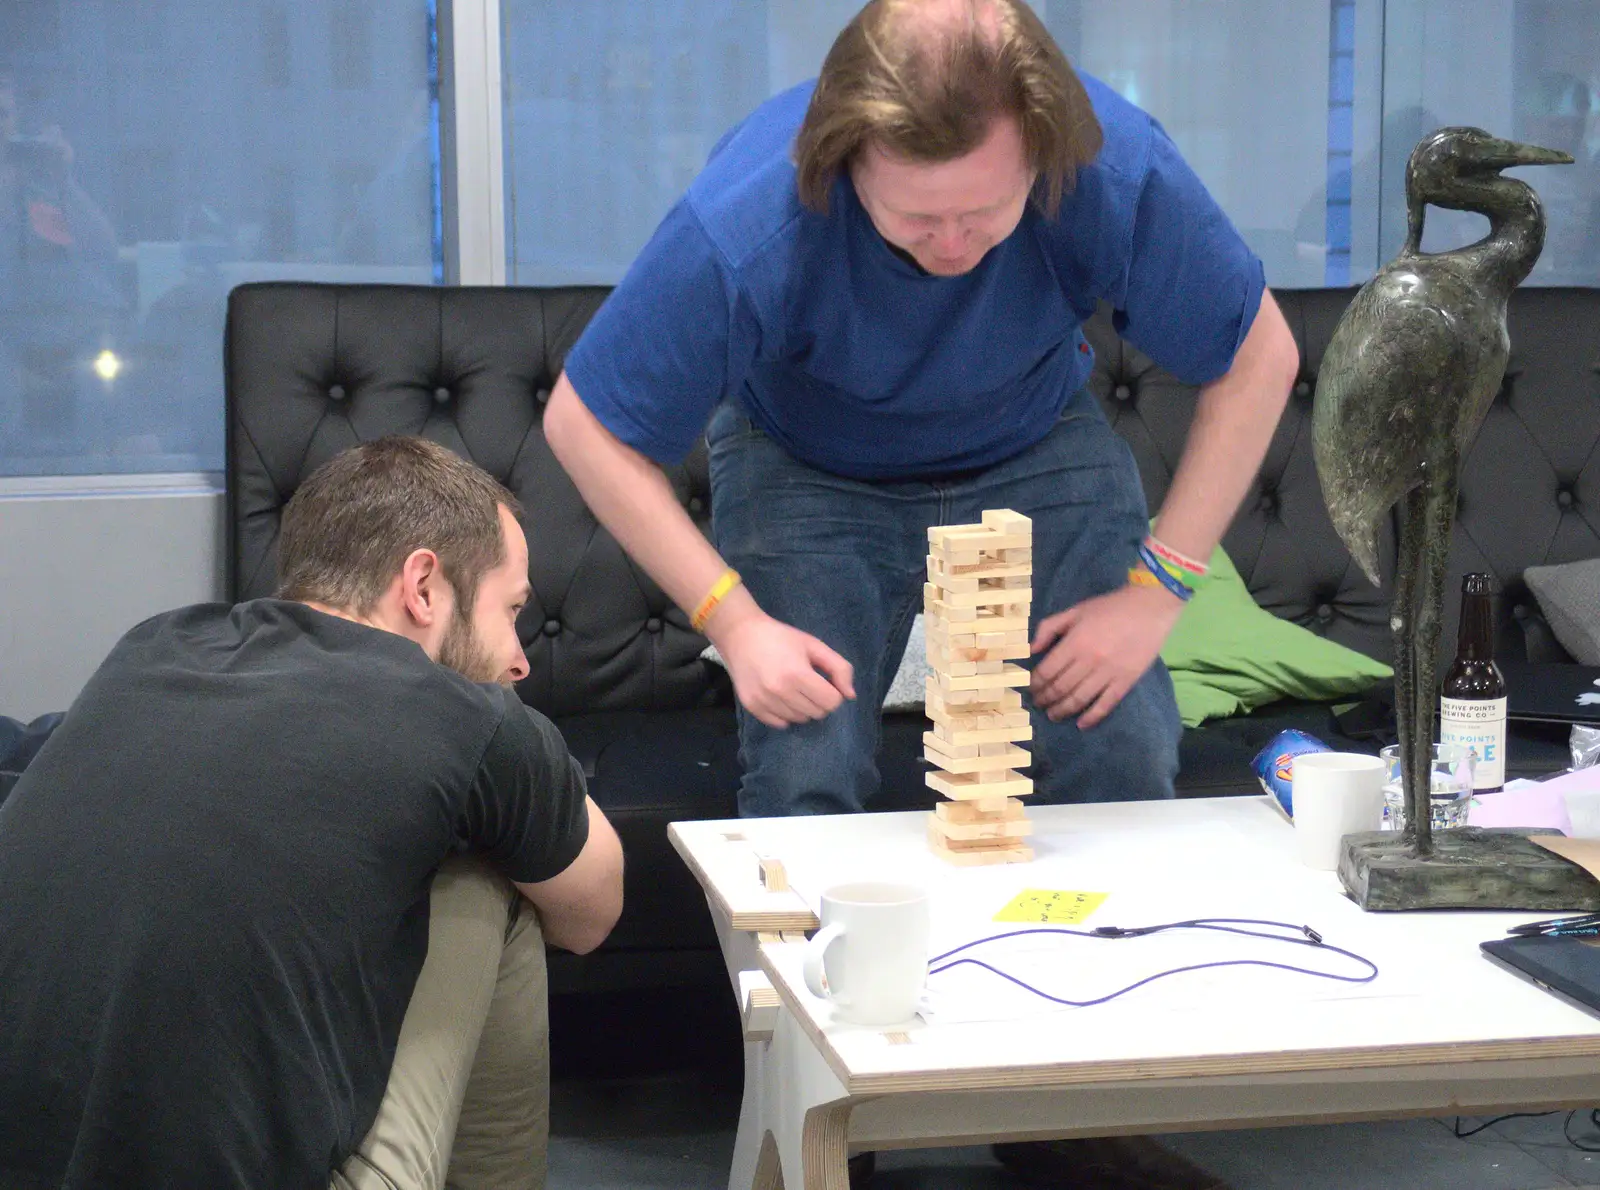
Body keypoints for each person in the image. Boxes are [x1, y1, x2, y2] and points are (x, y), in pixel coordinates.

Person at [544, 0, 1299, 822]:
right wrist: (733, 622)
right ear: (848, 160)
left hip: (1034, 439)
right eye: (915, 218)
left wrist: (1157, 594)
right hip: (806, 461)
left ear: (1040, 160)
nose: (951, 247)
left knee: (1119, 738)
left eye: (983, 215)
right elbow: (583, 424)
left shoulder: (1110, 168)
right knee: (806, 763)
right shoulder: (749, 221)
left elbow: (1261, 357)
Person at [0, 436, 625, 1190]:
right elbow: (592, 910)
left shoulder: (152, 648)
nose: (519, 657)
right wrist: (525, 765)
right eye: (510, 610)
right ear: (423, 585)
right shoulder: (466, 717)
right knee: (493, 875)